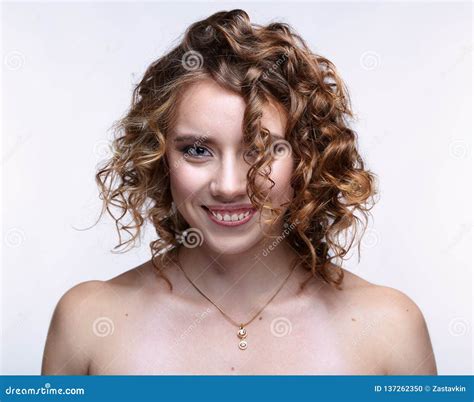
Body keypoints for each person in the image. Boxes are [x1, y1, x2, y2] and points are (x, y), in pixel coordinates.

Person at [41, 9, 437, 375]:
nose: (229, 186)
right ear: (160, 156)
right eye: (197, 150)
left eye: (261, 151)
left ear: (307, 157)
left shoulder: (390, 328)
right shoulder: (87, 324)